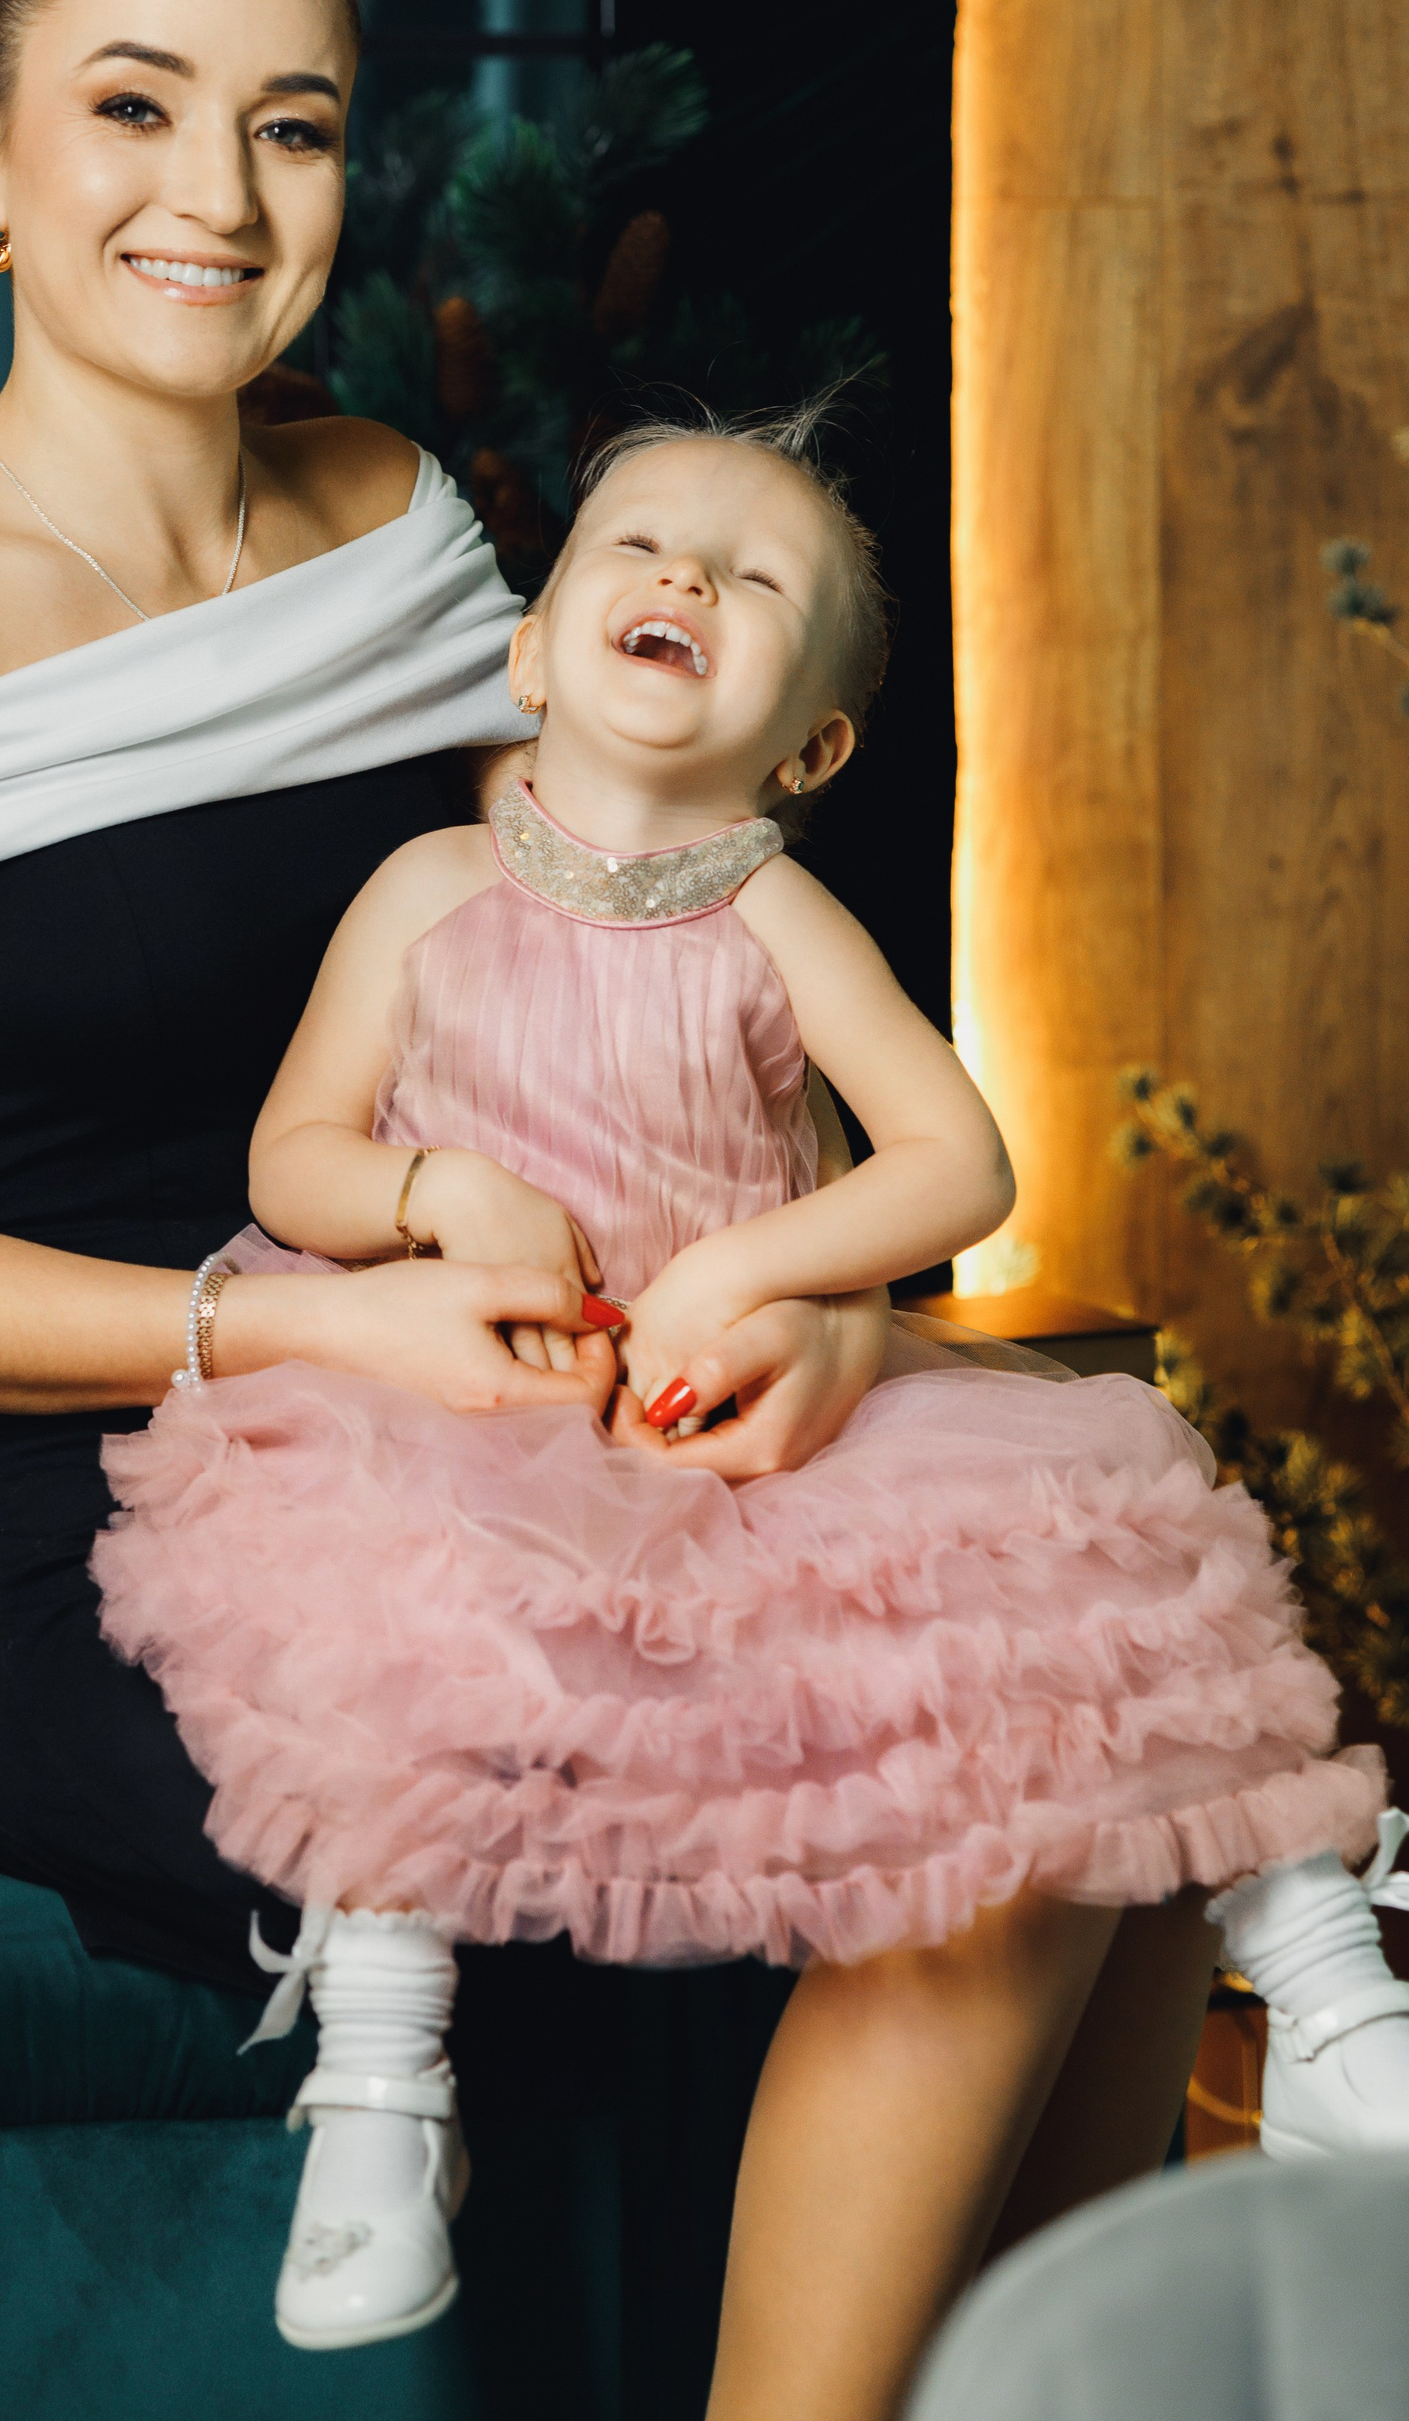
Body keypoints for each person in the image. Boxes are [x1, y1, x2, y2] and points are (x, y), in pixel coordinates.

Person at [0, 0, 895, 2389]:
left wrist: (812, 1300)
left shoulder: (397, 524)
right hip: (86, 1552)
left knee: (1066, 1764)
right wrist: (303, 1324)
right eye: (132, 107)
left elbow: (617, 973)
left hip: (510, 1425)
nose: (216, 196)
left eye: (293, 125)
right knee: (908, 1820)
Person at [95, 414, 1409, 2409]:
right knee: (391, 1604)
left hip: (728, 1412)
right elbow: (296, 1157)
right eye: (637, 543)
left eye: (754, 575)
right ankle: (377, 2087)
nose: (686, 577)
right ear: (530, 651)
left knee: (1097, 1521)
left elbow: (960, 1165)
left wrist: (751, 1271)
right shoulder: (428, 890)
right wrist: (434, 1193)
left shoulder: (776, 918)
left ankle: (1322, 1994)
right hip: (483, 1388)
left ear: (814, 748)